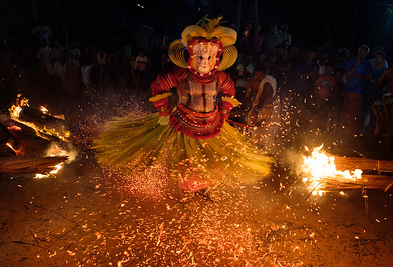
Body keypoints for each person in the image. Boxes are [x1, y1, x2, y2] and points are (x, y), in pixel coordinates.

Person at [94, 17, 272, 196]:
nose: (204, 61)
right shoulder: (180, 74)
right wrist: (163, 112)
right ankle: (186, 192)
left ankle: (205, 189)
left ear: (217, 57)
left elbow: (230, 92)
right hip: (184, 123)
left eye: (209, 57)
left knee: (213, 161)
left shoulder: (220, 77)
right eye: (201, 56)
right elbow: (157, 86)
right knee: (187, 162)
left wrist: (224, 113)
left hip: (212, 124)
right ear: (191, 54)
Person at [245, 65, 280, 153]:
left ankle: (266, 151)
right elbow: (247, 96)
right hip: (258, 106)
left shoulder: (268, 83)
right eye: (256, 75)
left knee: (268, 131)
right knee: (255, 130)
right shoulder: (252, 81)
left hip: (270, 108)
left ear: (265, 74)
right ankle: (255, 149)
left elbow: (264, 98)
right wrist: (240, 106)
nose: (257, 78)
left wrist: (256, 112)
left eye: (260, 75)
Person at [339, 45, 372, 136]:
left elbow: (367, 78)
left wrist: (355, 76)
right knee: (345, 112)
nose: (362, 56)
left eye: (364, 54)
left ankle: (351, 133)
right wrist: (357, 64)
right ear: (358, 53)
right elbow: (348, 75)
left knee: (355, 114)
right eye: (361, 53)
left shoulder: (367, 64)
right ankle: (341, 131)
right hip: (349, 90)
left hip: (359, 93)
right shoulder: (351, 62)